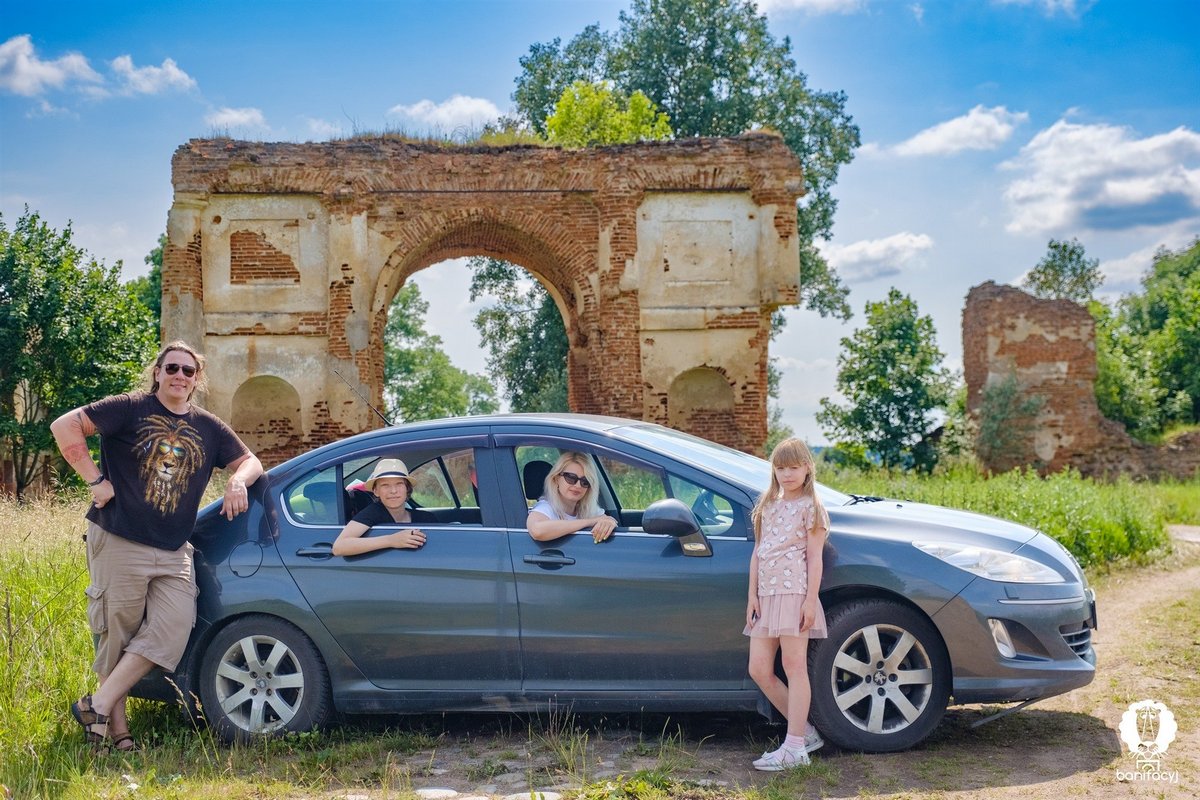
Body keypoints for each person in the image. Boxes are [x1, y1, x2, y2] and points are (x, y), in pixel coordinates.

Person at [50, 341, 263, 753]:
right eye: (172, 368)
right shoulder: (129, 407)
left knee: (173, 628)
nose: (180, 376)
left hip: (173, 549)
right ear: (158, 372)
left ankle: (95, 705)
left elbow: (250, 460)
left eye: (188, 370)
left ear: (197, 379)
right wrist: (95, 481)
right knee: (116, 636)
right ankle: (116, 734)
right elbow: (64, 426)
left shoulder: (209, 427)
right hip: (120, 539)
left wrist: (238, 480)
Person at [743, 437, 829, 771]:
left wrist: (810, 600)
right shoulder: (768, 505)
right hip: (766, 596)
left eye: (794, 467)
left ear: (807, 467)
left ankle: (794, 749)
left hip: (794, 594)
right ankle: (804, 734)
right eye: (780, 468)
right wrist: (752, 595)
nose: (787, 474)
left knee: (794, 666)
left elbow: (815, 558)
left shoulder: (811, 507)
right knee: (759, 668)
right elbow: (758, 552)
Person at [332, 459, 433, 556]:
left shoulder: (426, 518)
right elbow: (339, 547)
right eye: (385, 485)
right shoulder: (373, 512)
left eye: (399, 484)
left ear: (407, 488)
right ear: (376, 491)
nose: (393, 491)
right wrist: (391, 540)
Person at [526, 451, 616, 543]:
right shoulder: (546, 507)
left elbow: (605, 519)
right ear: (556, 479)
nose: (578, 485)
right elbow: (537, 530)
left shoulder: (588, 508)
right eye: (571, 478)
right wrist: (590, 521)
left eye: (585, 481)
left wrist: (610, 522)